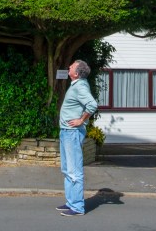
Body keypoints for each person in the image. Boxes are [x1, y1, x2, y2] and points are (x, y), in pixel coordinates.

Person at [56, 59, 98, 217]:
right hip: (67, 132)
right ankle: (71, 202)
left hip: (72, 133)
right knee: (67, 169)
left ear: (77, 72)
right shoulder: (77, 85)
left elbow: (92, 105)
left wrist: (81, 120)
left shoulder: (80, 86)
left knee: (74, 171)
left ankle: (78, 207)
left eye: (71, 66)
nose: (69, 67)